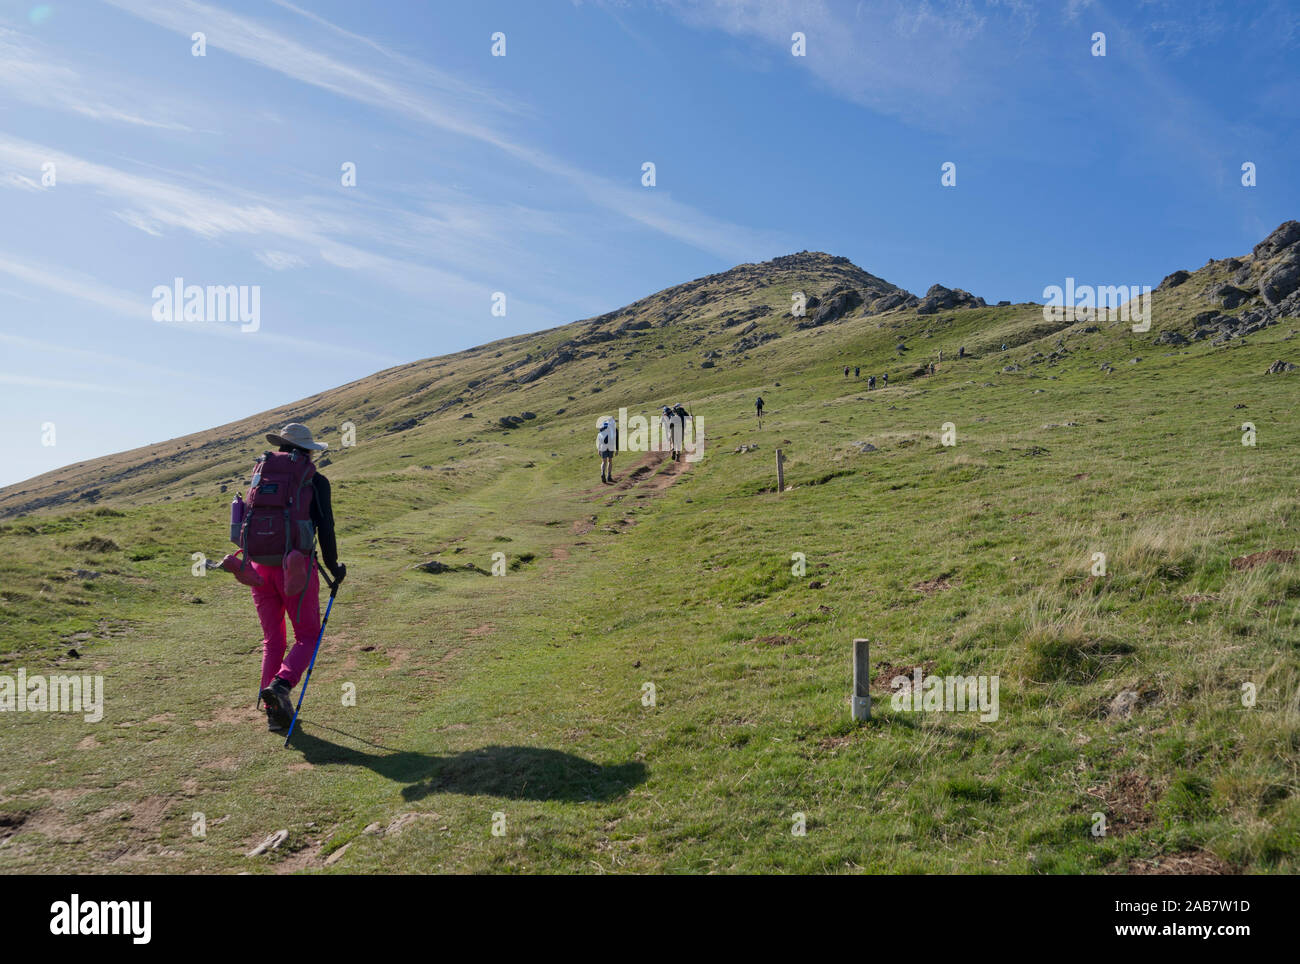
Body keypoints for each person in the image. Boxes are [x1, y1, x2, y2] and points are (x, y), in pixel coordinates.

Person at [235, 423, 346, 733]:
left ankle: (273, 712)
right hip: (296, 568)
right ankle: (281, 686)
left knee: (274, 639)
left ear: (282, 447)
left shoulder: (262, 476)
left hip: (259, 568)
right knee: (308, 635)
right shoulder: (316, 481)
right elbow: (327, 528)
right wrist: (334, 568)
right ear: (309, 451)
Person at [597, 415, 618, 484]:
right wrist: (617, 449)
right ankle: (609, 476)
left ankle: (602, 473)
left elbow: (599, 437)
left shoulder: (602, 428)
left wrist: (599, 448)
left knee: (604, 461)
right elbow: (616, 439)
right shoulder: (614, 429)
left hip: (603, 446)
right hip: (611, 446)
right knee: (610, 461)